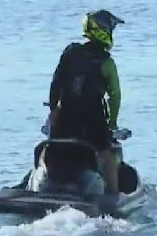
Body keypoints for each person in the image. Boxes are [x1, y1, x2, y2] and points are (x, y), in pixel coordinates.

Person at [48, 10, 124, 194]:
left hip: (65, 117)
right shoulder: (107, 63)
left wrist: (53, 109)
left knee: (53, 145)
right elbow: (115, 96)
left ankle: (39, 183)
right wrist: (112, 123)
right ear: (104, 30)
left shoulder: (70, 52)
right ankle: (113, 195)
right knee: (107, 154)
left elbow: (56, 82)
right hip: (92, 120)